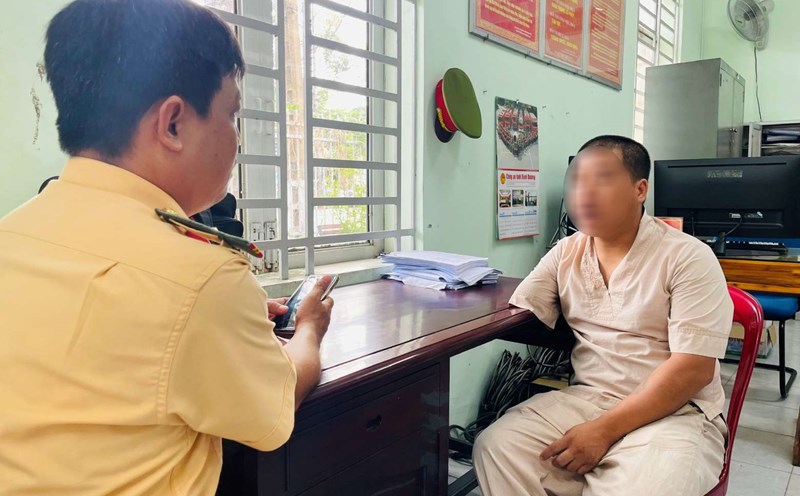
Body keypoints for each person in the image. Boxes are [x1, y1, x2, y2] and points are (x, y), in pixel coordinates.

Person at [0, 1, 333, 494]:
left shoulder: (14, 233)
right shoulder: (201, 275)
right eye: (231, 114)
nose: (235, 139)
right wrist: (308, 329)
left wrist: (228, 320)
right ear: (173, 123)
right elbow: (275, 409)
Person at [473, 135, 733, 496]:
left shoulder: (688, 257)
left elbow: (694, 368)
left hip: (674, 412)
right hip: (587, 399)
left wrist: (604, 430)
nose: (586, 192)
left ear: (640, 189)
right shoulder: (567, 251)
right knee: (498, 447)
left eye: (603, 178)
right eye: (578, 179)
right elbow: (521, 304)